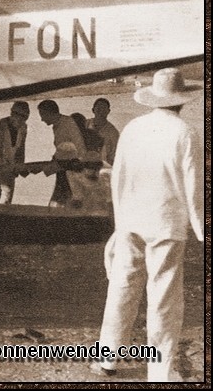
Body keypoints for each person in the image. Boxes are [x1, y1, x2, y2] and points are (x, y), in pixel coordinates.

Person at [93, 68, 203, 382]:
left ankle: (107, 358)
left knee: (122, 288)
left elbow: (118, 177)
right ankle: (162, 371)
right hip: (166, 223)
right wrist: (200, 227)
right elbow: (193, 186)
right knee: (164, 298)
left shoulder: (132, 128)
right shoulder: (185, 132)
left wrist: (118, 221)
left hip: (131, 220)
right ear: (182, 101)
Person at [37, 99, 86, 208]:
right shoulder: (57, 125)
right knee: (57, 204)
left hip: (72, 172)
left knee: (61, 205)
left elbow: (80, 149)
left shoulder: (68, 123)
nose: (41, 119)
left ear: (50, 113)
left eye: (43, 115)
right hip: (63, 170)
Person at [0, 101, 30, 204]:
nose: (22, 120)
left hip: (9, 168)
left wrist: (20, 166)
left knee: (7, 201)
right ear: (13, 114)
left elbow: (21, 149)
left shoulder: (23, 127)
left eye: (25, 118)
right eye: (20, 117)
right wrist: (4, 169)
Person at [87, 98, 120, 167]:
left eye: (104, 109)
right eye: (98, 108)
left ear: (108, 111)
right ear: (93, 110)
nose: (101, 111)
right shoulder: (85, 124)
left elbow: (115, 156)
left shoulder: (113, 132)